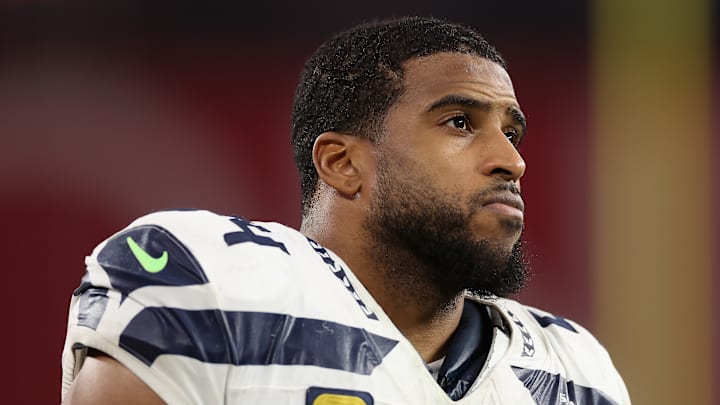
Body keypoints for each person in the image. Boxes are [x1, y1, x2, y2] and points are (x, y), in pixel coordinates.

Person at [60, 16, 631, 404]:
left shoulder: (572, 372)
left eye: (512, 133)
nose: (511, 161)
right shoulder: (208, 282)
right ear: (343, 164)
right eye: (460, 122)